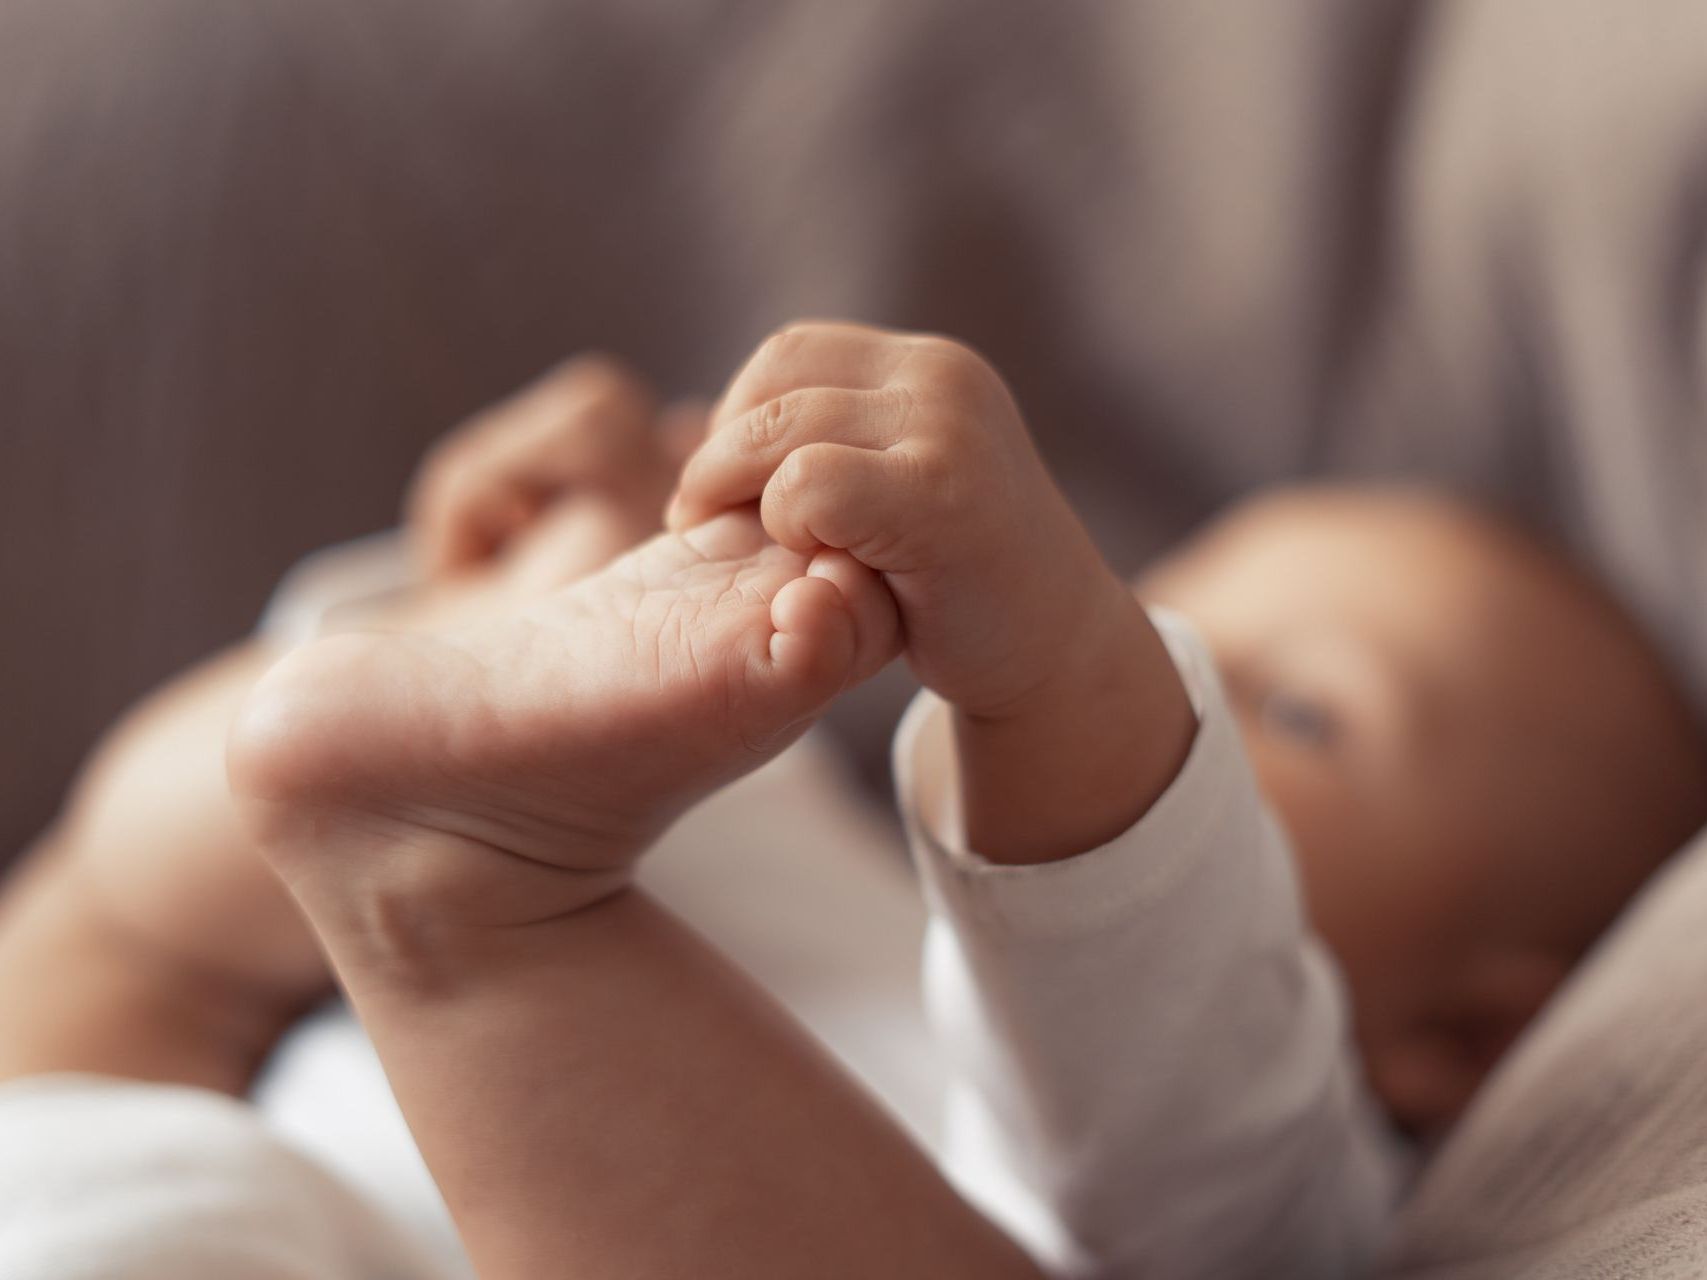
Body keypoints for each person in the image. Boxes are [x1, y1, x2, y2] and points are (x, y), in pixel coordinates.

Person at [210, 322, 1706, 1278]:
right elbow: (395, 747)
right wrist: (561, 570)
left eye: (1300, 707)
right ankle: (429, 863)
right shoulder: (841, 884)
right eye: (1152, 614)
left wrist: (1067, 656)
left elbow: (1163, 1057)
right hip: (177, 1188)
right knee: (226, 823)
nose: (1159, 666)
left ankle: (459, 903)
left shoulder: (1288, 1180)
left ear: (1468, 1034)